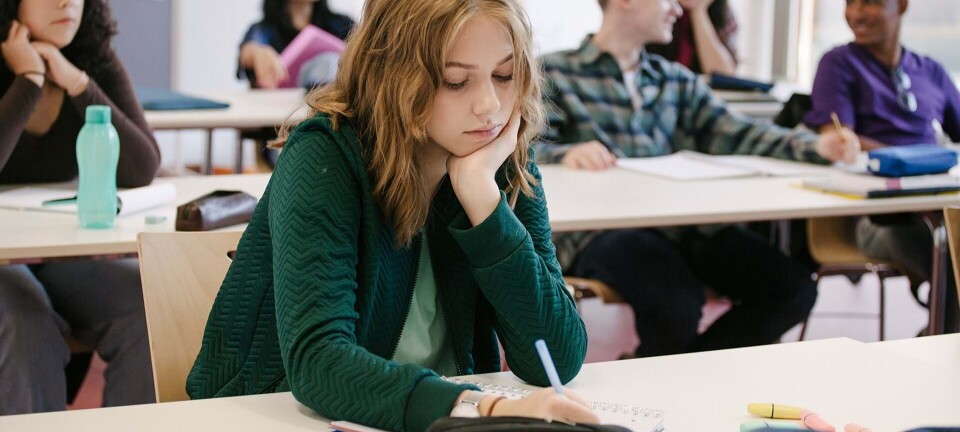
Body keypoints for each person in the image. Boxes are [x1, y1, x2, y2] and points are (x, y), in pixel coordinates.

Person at [188, 0, 598, 430]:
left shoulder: (499, 159)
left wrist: (484, 201)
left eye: (504, 75)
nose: (489, 105)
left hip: (430, 418)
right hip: (271, 417)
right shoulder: (324, 155)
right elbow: (318, 363)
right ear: (397, 77)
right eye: (455, 81)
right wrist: (481, 408)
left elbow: (557, 356)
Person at [535, 0, 860, 358]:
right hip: (602, 233)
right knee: (675, 303)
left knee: (792, 289)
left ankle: (682, 372)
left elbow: (740, 132)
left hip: (682, 225)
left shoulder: (674, 79)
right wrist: (563, 154)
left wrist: (818, 146)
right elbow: (519, 150)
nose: (677, 9)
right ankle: (664, 383)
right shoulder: (554, 72)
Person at [0, 0, 159, 414]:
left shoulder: (91, 57)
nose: (66, 1)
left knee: (148, 305)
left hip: (56, 252)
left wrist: (76, 83)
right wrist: (28, 80)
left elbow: (143, 165)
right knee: (25, 323)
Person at [804, 0, 960, 333]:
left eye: (871, 3)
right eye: (850, 3)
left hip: (938, 207)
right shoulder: (838, 65)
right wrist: (919, 157)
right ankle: (938, 342)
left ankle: (937, 339)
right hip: (877, 218)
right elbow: (838, 140)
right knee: (948, 254)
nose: (857, 13)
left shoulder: (929, 70)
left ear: (901, 5)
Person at [238, 0, 354, 89]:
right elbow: (250, 49)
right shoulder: (264, 30)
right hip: (279, 113)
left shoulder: (342, 24)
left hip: (332, 108)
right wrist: (258, 52)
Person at [646, 0, 738, 75]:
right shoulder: (657, 7)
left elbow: (724, 75)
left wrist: (698, 10)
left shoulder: (722, 12)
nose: (677, 11)